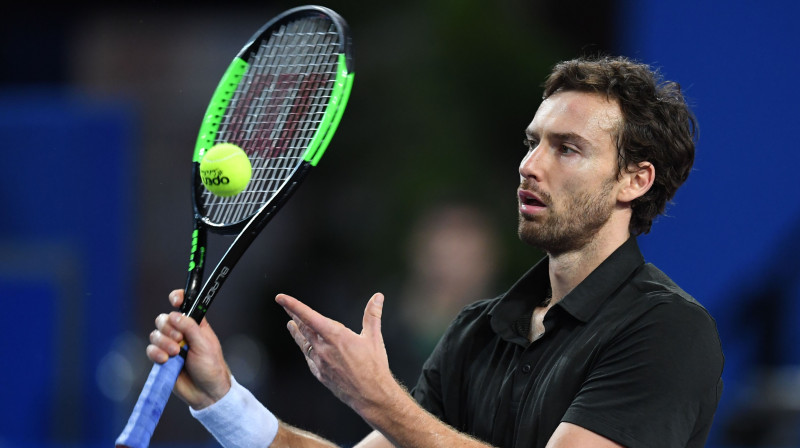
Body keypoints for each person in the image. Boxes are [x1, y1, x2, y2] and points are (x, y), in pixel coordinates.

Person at [145, 55, 724, 448]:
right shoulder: (477, 330)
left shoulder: (668, 330)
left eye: (567, 149)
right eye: (532, 143)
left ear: (635, 180)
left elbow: (402, 424)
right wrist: (222, 398)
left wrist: (379, 400)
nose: (529, 166)